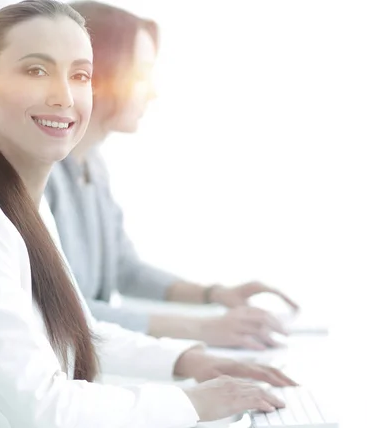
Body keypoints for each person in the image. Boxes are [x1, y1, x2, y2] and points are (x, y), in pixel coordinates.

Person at [0, 1, 296, 427]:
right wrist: (192, 404)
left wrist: (191, 360)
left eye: (80, 75)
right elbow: (45, 406)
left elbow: (81, 336)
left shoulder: (26, 206)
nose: (63, 96)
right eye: (36, 70)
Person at [46, 1, 300, 350]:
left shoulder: (92, 164)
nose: (152, 92)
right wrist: (203, 329)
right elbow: (68, 314)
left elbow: (126, 269)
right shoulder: (42, 179)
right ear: (97, 74)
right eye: (140, 74)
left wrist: (214, 295)